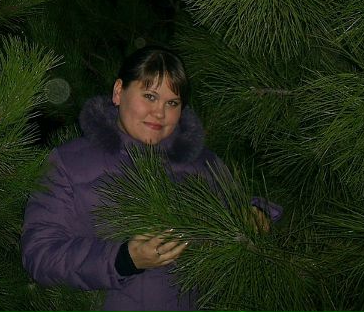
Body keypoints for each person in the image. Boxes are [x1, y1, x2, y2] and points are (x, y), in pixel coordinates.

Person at [21, 45, 282, 312]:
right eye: (149, 96)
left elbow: (238, 214)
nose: (160, 112)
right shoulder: (68, 162)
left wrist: (256, 213)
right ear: (119, 92)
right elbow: (39, 255)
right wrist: (123, 259)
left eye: (172, 103)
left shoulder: (205, 164)